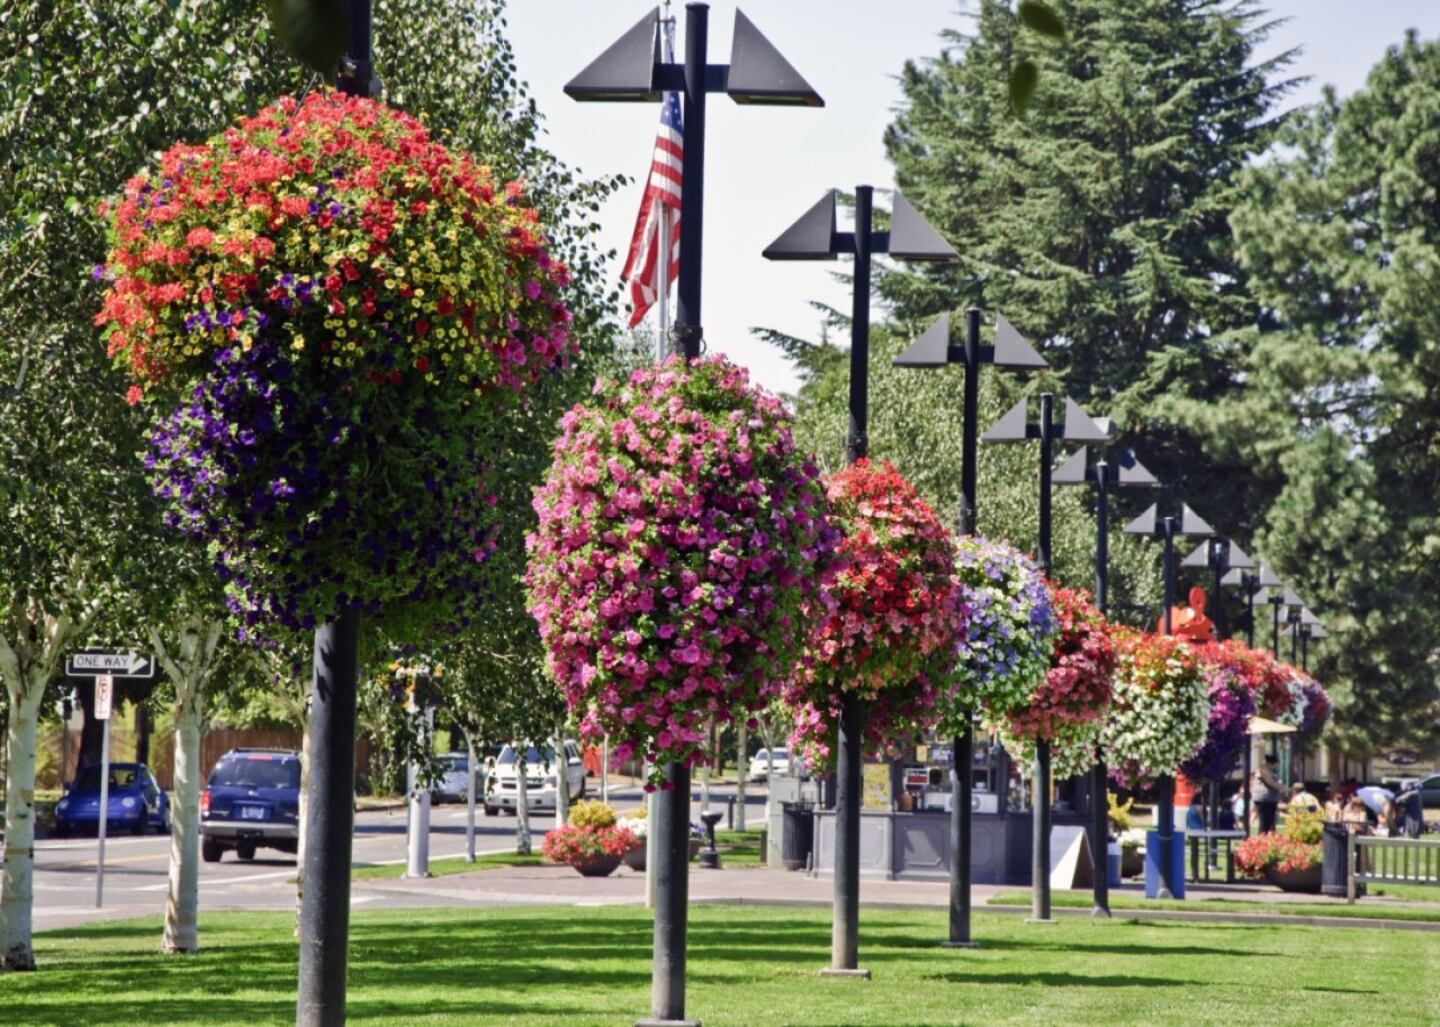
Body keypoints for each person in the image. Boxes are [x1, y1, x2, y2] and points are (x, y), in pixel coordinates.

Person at [1251, 756, 1282, 833]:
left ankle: (1268, 837)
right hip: (1265, 799)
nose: (1275, 766)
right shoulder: (1262, 770)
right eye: (1274, 764)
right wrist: (1281, 787)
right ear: (1269, 763)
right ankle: (1262, 837)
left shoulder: (1269, 771)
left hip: (1270, 799)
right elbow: (1270, 782)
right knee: (1264, 821)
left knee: (1269, 821)